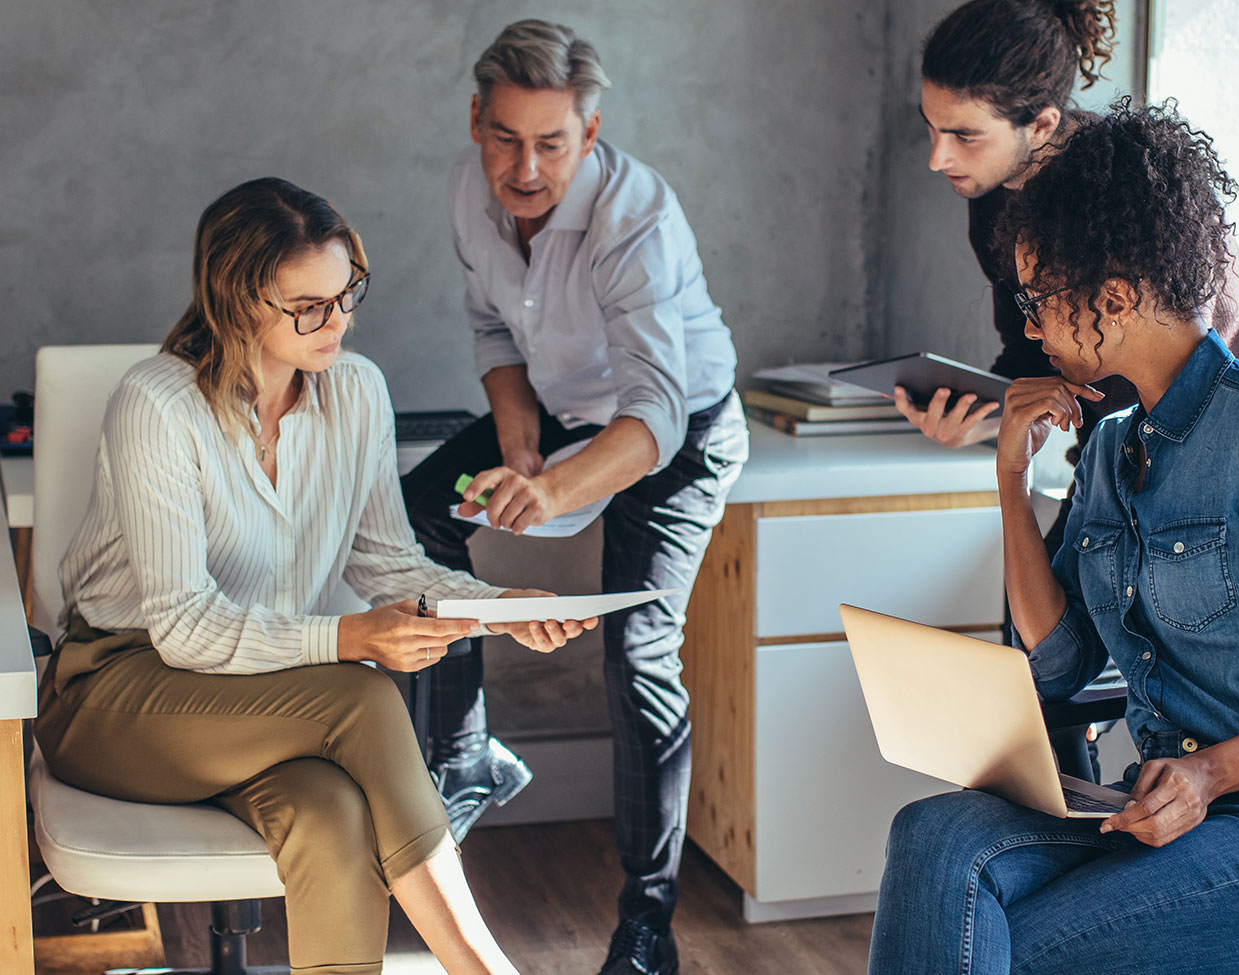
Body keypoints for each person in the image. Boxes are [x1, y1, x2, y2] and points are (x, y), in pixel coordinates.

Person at [867, 101, 1239, 974]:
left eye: (1038, 299)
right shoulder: (1107, 448)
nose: (1028, 327)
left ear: (1118, 298)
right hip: (1152, 806)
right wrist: (1011, 484)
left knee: (1006, 945)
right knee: (933, 836)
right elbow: (1057, 666)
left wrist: (1211, 774)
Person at [35, 177, 596, 975]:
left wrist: (499, 608)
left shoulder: (358, 392)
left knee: (331, 811)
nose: (337, 322)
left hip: (255, 698)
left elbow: (387, 561)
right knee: (363, 691)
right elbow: (186, 625)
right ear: (236, 302)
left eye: (345, 295)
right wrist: (347, 637)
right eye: (309, 306)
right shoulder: (156, 404)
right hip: (116, 691)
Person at [399, 20, 747, 975]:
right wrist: (517, 442)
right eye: (506, 137)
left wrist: (549, 485)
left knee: (637, 654)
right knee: (410, 512)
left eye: (551, 143)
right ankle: (462, 747)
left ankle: (647, 930)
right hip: (559, 415)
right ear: (476, 121)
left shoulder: (635, 218)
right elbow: (492, 333)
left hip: (675, 433)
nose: (524, 167)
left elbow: (656, 416)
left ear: (589, 136)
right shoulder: (470, 194)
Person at [900, 0, 1239, 553]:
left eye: (964, 135)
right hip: (1104, 462)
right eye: (931, 129)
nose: (937, 158)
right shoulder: (992, 189)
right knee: (1027, 620)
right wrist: (984, 415)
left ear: (1043, 123)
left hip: (1208, 470)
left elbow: (1198, 352)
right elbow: (1031, 349)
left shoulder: (1135, 191)